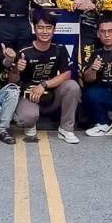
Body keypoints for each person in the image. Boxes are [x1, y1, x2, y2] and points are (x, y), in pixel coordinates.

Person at [10, 12, 81, 143]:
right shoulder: (24, 51)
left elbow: (67, 74)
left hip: (51, 95)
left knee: (72, 86)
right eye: (40, 27)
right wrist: (16, 70)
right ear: (34, 28)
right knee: (27, 118)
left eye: (48, 28)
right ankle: (29, 122)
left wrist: (43, 85)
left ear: (54, 30)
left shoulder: (59, 49)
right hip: (29, 96)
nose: (44, 31)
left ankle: (66, 129)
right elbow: (12, 81)